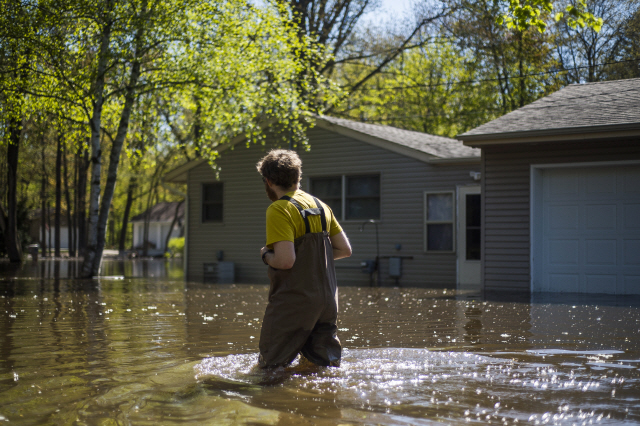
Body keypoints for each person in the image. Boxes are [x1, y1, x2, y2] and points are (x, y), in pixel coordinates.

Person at [256, 149, 352, 368]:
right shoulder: (321, 206)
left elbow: (285, 261)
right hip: (328, 301)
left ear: (269, 181)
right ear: (297, 177)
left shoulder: (279, 209)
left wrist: (265, 255)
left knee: (269, 369)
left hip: (295, 301)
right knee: (323, 369)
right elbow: (345, 250)